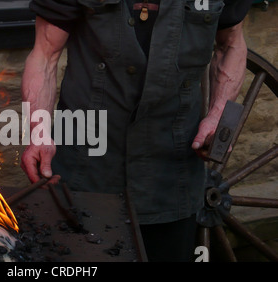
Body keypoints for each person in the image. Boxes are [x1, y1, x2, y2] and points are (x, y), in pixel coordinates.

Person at [20, 0, 253, 261]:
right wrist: (38, 132)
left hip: (173, 174)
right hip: (87, 170)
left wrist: (219, 116)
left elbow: (231, 43)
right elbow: (45, 53)